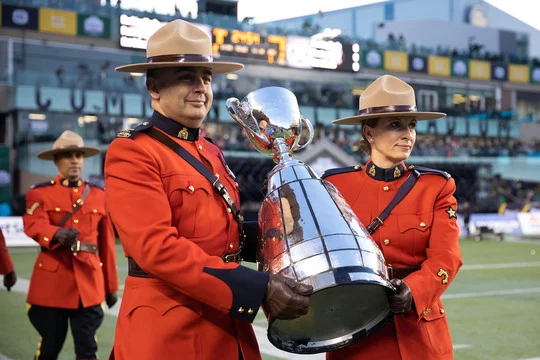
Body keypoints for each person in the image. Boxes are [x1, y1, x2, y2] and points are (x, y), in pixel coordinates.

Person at [105, 19, 312, 360]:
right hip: (170, 334)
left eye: (206, 77)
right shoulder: (132, 151)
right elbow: (156, 249)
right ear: (154, 86)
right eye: (187, 77)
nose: (201, 87)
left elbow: (221, 234)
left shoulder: (210, 151)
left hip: (227, 330)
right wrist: (258, 288)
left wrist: (279, 234)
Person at [322, 75, 463, 360]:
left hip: (419, 334)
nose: (408, 134)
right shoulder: (335, 187)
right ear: (368, 133)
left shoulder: (435, 187)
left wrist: (413, 289)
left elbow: (447, 257)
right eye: (395, 124)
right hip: (357, 334)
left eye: (411, 125)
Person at [23, 130, 119, 360]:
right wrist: (56, 233)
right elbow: (33, 223)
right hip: (52, 284)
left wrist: (111, 286)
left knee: (87, 349)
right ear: (56, 161)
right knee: (49, 348)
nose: (75, 160)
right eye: (68, 155)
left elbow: (106, 244)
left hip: (89, 283)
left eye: (78, 155)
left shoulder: (98, 195)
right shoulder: (40, 193)